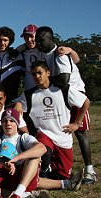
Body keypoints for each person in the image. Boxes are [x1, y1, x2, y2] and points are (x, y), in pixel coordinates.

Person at [35, 26, 97, 184]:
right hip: (59, 98)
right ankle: (52, 167)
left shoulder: (60, 54)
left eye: (41, 41)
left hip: (74, 97)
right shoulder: (44, 52)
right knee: (55, 131)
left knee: (80, 132)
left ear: (51, 39)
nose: (38, 44)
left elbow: (64, 79)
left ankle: (90, 170)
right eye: (37, 41)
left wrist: (46, 82)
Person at [16, 61, 90, 190]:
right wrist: (18, 104)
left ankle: (50, 175)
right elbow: (15, 107)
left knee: (63, 175)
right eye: (34, 74)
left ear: (48, 73)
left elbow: (85, 102)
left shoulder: (63, 89)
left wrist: (77, 123)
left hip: (63, 137)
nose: (37, 76)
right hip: (44, 135)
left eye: (40, 73)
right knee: (43, 150)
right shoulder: (28, 95)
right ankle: (43, 168)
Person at [0, 108, 47, 197]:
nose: (8, 123)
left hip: (22, 178)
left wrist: (16, 158)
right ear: (1, 124)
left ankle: (18, 194)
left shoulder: (23, 137)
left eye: (12, 121)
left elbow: (42, 148)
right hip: (5, 177)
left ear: (17, 124)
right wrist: (2, 161)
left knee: (35, 157)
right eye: (5, 121)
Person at [13, 24, 80, 91]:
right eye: (26, 37)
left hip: (70, 91)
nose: (29, 40)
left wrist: (70, 50)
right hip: (38, 92)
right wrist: (17, 50)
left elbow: (76, 61)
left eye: (31, 36)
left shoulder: (57, 51)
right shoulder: (27, 51)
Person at [0, 26, 24, 104]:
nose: (2, 43)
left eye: (5, 40)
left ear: (10, 41)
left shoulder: (17, 55)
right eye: (0, 40)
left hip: (11, 101)